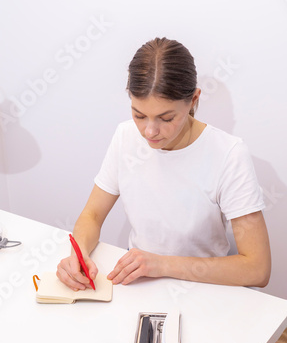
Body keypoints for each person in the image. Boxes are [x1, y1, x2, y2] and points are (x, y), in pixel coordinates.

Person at [56, 38, 271, 291]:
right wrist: (78, 254)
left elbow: (257, 268)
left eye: (166, 118)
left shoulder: (229, 154)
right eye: (139, 115)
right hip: (139, 281)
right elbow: (92, 215)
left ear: (193, 100)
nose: (149, 131)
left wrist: (161, 265)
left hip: (204, 287)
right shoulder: (125, 137)